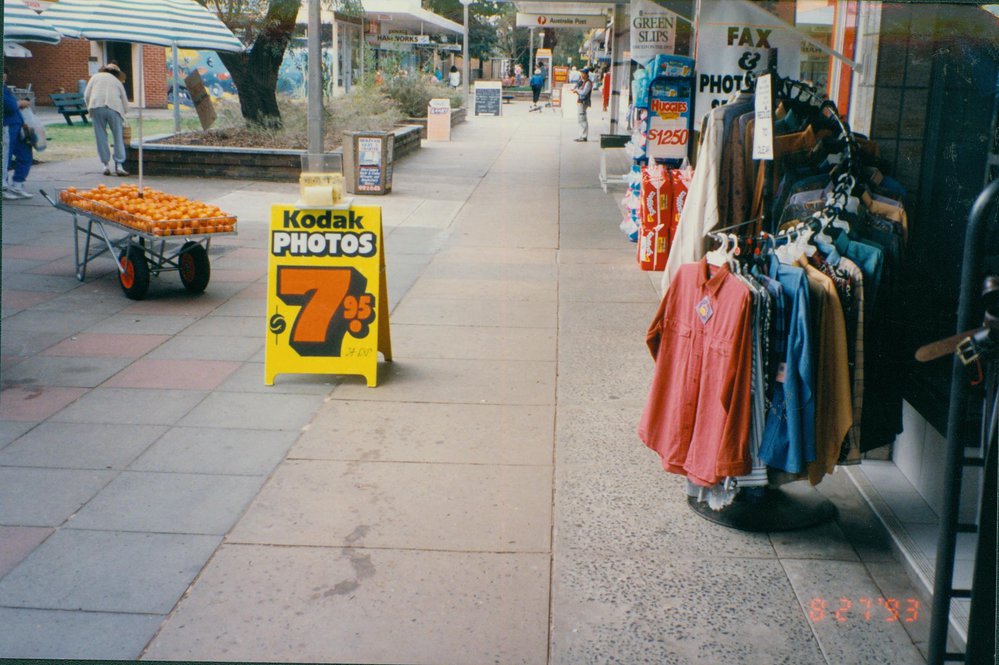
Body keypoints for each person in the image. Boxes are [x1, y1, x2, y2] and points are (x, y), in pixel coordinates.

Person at [84, 62, 130, 176]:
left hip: (96, 107)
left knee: (100, 136)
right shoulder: (117, 81)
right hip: (114, 108)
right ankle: (119, 165)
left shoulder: (95, 77)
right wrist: (124, 112)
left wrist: (90, 106)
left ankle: (105, 165)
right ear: (117, 73)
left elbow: (86, 95)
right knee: (118, 136)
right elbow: (124, 99)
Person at [3, 70, 32, 200]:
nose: (4, 77)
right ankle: (3, 186)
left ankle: (18, 183)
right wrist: (19, 104)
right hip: (7, 125)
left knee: (25, 154)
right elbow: (9, 106)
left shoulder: (5, 88)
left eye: (4, 74)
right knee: (5, 158)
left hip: (17, 124)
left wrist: (23, 120)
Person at [572, 67, 593, 142]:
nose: (581, 74)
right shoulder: (583, 81)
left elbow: (584, 92)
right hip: (581, 102)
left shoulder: (588, 83)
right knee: (581, 118)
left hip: (584, 102)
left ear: (586, 74)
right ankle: (582, 135)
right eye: (581, 73)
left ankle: (583, 136)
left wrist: (577, 90)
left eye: (583, 73)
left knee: (582, 119)